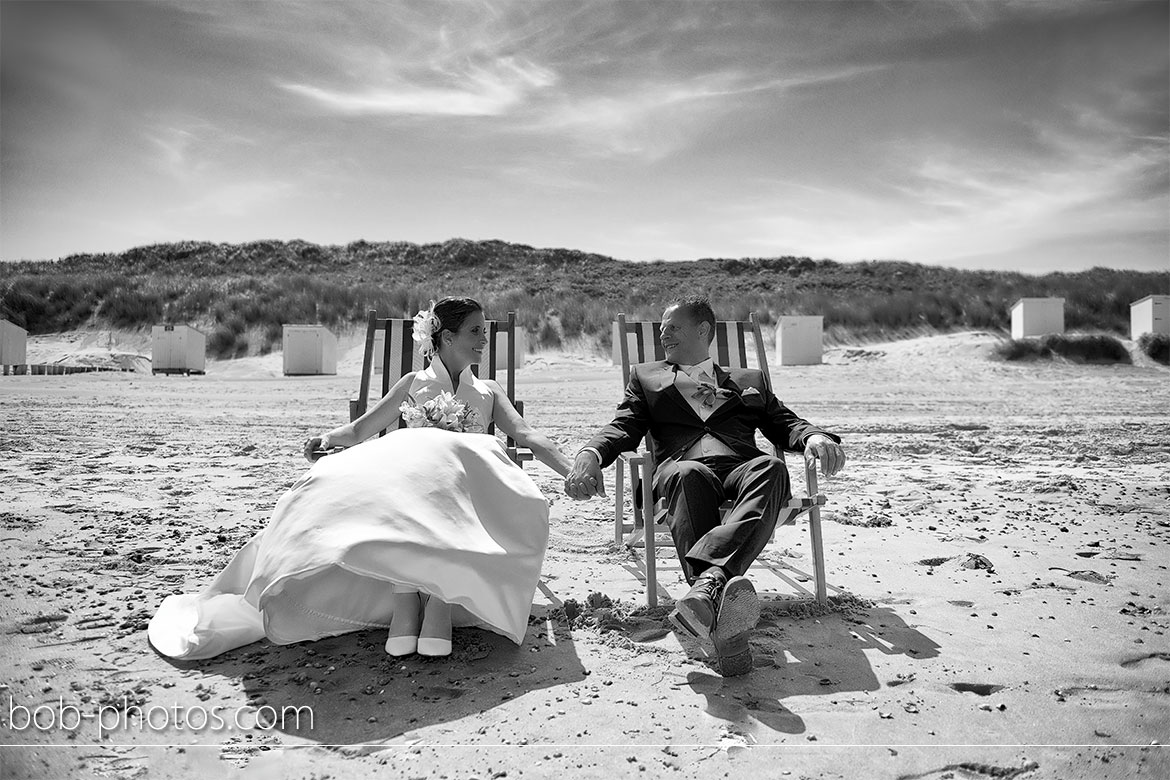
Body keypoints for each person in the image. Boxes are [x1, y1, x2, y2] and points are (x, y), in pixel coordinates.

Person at [148, 297, 573, 661]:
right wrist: (328, 438)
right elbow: (361, 431)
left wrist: (571, 470)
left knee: (449, 468)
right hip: (414, 495)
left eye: (485, 331)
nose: (484, 339)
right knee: (393, 472)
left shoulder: (490, 392)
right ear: (445, 336)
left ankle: (440, 600)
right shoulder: (412, 384)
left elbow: (528, 436)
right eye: (476, 331)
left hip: (467, 499)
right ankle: (406, 598)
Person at [565, 296, 845, 676]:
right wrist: (591, 454)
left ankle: (707, 589)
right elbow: (623, 426)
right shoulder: (647, 377)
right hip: (680, 470)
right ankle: (718, 594)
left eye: (672, 327)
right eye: (661, 328)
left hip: (738, 468)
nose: (663, 334)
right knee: (688, 474)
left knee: (772, 467)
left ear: (703, 330)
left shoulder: (749, 381)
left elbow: (784, 423)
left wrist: (813, 437)